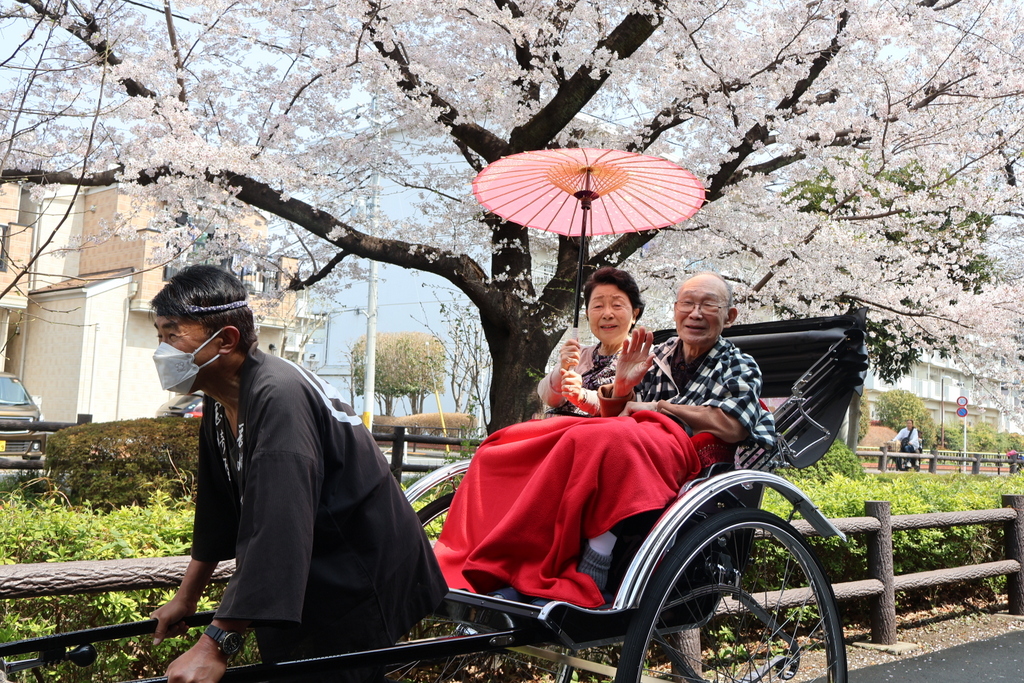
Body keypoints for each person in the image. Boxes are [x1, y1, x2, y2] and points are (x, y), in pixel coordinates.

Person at [148, 265, 446, 683]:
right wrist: (187, 596)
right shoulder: (221, 397)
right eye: (159, 336)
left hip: (360, 565)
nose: (162, 351)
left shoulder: (279, 395)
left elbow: (278, 526)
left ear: (226, 340)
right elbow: (218, 510)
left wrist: (215, 644)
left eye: (172, 335)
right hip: (320, 560)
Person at [434, 272, 775, 608]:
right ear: (675, 310)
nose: (695, 313)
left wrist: (661, 407)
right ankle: (495, 558)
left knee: (597, 438)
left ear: (730, 316)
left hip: (683, 454)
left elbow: (733, 425)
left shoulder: (739, 364)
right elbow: (616, 415)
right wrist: (623, 386)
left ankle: (590, 561)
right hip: (632, 440)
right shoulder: (656, 353)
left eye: (708, 305)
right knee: (511, 441)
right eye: (687, 304)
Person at [538, 267, 644, 416]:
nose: (607, 314)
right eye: (598, 306)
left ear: (634, 314)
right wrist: (563, 368)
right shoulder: (579, 353)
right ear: (587, 314)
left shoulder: (644, 359)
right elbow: (549, 399)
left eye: (617, 305)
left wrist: (582, 396)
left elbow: (629, 407)